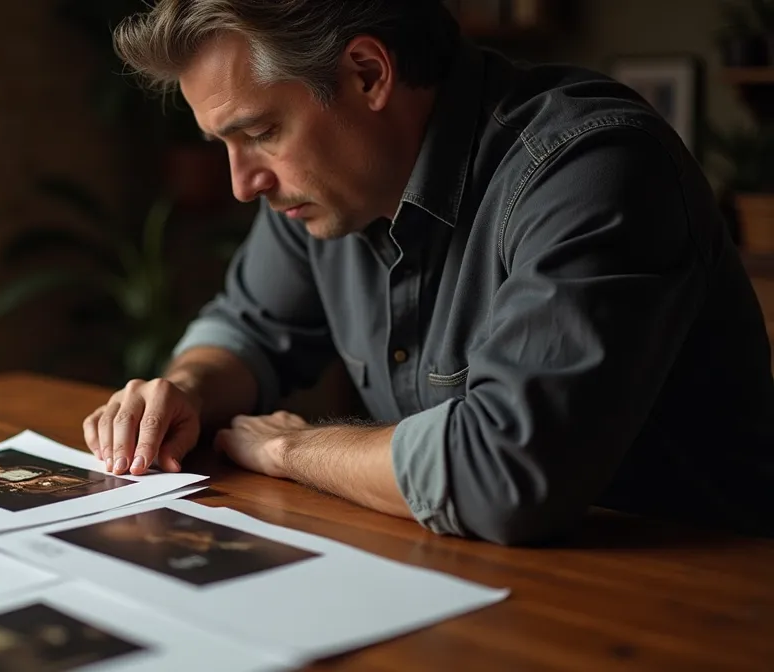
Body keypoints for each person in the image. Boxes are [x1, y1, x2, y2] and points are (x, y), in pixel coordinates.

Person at [81, 0, 774, 545]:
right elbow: (250, 328)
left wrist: (291, 448)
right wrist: (188, 389)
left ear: (368, 74)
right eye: (224, 144)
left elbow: (504, 471)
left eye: (261, 133)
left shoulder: (592, 169)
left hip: (694, 597)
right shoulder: (323, 189)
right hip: (475, 573)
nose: (242, 183)